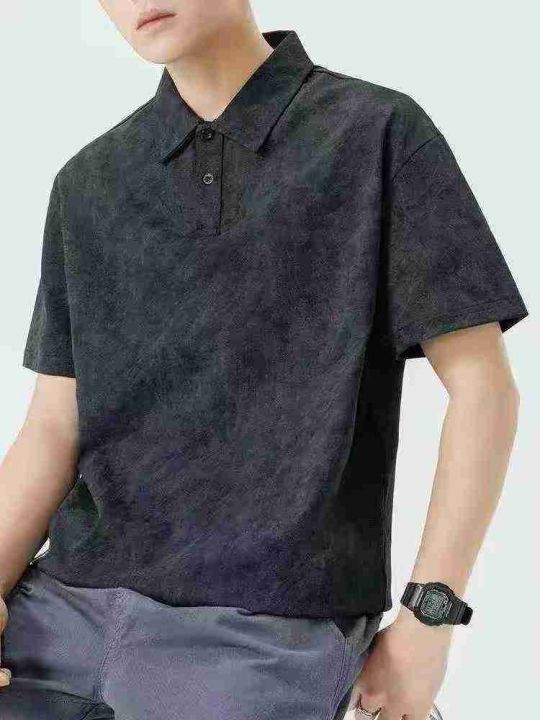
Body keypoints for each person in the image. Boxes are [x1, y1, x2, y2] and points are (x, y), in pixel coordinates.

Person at [0, 2, 529, 719]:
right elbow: (52, 427)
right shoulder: (87, 182)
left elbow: (484, 391)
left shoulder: (375, 133)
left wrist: (428, 624)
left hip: (259, 633)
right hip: (57, 614)